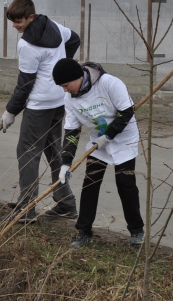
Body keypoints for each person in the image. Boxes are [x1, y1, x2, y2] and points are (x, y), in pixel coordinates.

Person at [0, 0, 80, 223]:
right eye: (12, 21)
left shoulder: (27, 45)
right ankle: (66, 203)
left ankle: (26, 209)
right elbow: (75, 39)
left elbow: (25, 84)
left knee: (27, 152)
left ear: (31, 17)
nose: (14, 25)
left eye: (18, 21)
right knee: (54, 151)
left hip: (40, 105)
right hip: (59, 100)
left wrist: (10, 111)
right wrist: (60, 68)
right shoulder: (54, 27)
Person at [52, 58, 144, 249]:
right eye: (62, 87)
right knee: (90, 183)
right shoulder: (70, 99)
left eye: (66, 85)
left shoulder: (108, 83)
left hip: (123, 139)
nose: (65, 90)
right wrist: (65, 163)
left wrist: (109, 135)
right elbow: (71, 133)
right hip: (98, 142)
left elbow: (126, 112)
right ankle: (83, 231)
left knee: (125, 184)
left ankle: (136, 230)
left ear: (77, 77)